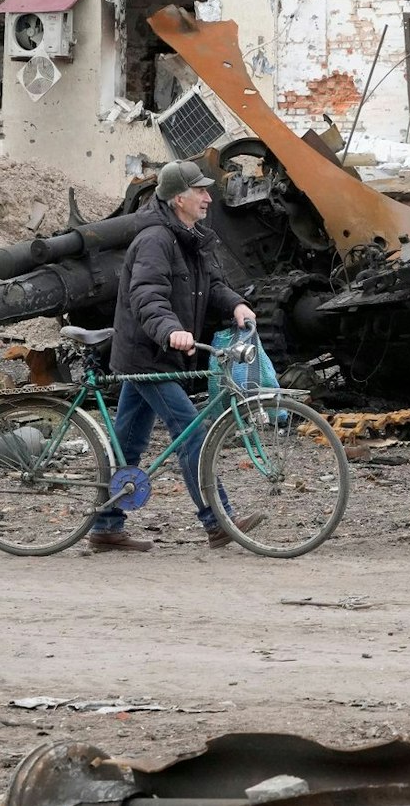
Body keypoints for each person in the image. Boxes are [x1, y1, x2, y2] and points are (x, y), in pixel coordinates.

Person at [88, 159, 263, 553]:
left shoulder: (190, 236)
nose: (207, 197)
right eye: (200, 191)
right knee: (190, 432)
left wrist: (236, 304)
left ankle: (105, 525)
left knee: (128, 442)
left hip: (158, 353)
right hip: (148, 353)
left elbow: (213, 285)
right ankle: (217, 521)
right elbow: (147, 296)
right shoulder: (155, 239)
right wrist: (170, 331)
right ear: (178, 197)